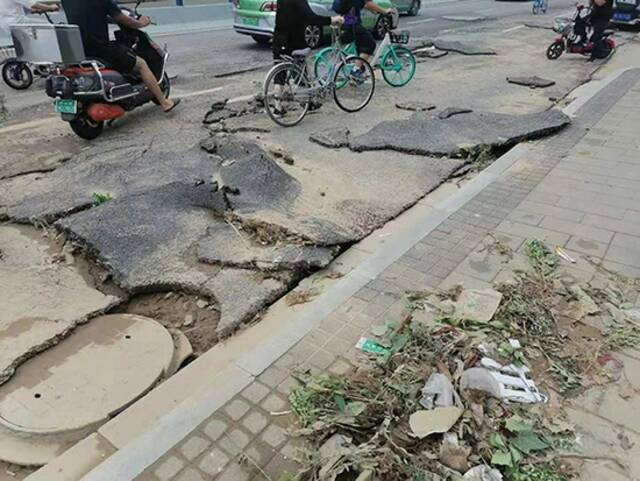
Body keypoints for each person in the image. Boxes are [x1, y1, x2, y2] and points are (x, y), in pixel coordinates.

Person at [61, 0, 179, 112]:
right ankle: (165, 103)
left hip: (80, 51)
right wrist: (143, 22)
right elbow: (125, 20)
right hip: (101, 49)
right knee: (141, 64)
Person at [271, 0, 343, 114]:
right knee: (300, 72)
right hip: (293, 42)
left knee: (280, 73)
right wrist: (332, 20)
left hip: (278, 39)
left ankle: (277, 108)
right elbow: (311, 18)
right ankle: (306, 101)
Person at [335, 0, 393, 77]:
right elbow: (368, 3)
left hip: (342, 21)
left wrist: (374, 10)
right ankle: (356, 70)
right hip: (352, 24)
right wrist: (385, 11)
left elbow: (363, 4)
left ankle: (358, 66)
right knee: (370, 44)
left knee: (361, 42)